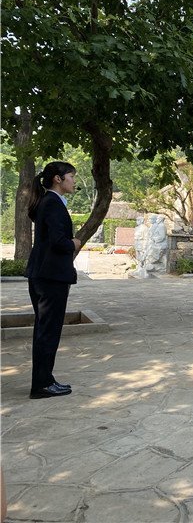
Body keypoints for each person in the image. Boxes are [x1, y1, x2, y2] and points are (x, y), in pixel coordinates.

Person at [25, 161, 81, 399]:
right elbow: (58, 241)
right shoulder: (52, 203)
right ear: (58, 179)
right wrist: (73, 244)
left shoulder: (47, 202)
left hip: (43, 275)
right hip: (51, 277)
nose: (74, 181)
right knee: (48, 332)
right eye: (71, 176)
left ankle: (44, 380)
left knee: (44, 330)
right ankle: (42, 384)